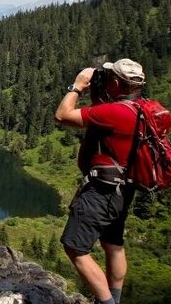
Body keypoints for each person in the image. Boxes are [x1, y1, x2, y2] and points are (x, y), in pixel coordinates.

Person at [54, 58, 148, 304]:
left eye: (109, 78)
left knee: (75, 247)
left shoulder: (114, 112)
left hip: (101, 191)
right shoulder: (144, 109)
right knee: (112, 243)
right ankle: (114, 298)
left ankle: (106, 302)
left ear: (116, 83)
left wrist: (77, 86)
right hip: (124, 188)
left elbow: (62, 115)